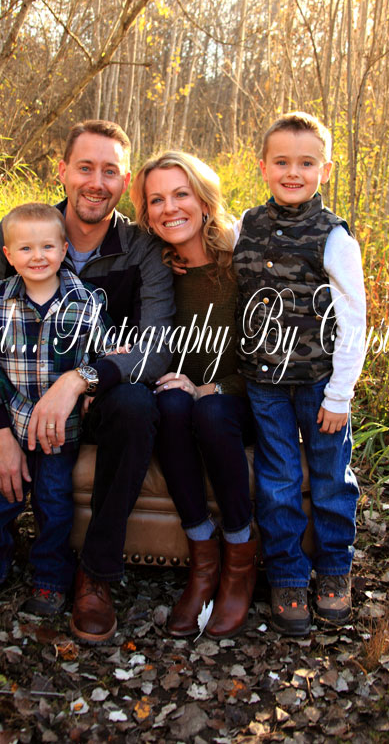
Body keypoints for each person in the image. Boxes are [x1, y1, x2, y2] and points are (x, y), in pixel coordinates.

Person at [0, 120, 175, 643]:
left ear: (125, 180)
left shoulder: (142, 248)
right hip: (16, 396)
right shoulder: (21, 230)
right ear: (62, 171)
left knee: (136, 406)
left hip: (94, 405)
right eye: (85, 167)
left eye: (109, 171)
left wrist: (80, 381)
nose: (96, 182)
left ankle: (95, 571)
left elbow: (155, 349)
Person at [0, 203, 111, 614]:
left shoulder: (84, 301)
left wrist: (92, 389)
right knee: (1, 499)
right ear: (9, 255)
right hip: (14, 422)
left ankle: (51, 579)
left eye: (47, 246)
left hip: (60, 433)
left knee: (54, 504)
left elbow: (102, 354)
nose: (37, 257)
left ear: (64, 249)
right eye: (26, 248)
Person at [234, 111, 366, 636]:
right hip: (264, 384)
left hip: (318, 383)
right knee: (279, 480)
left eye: (306, 163)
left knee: (331, 479)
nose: (293, 172)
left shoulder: (333, 238)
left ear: (324, 170)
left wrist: (340, 395)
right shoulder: (246, 225)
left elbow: (353, 320)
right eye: (282, 162)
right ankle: (288, 575)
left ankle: (334, 568)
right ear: (263, 166)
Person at [130, 152, 257, 639]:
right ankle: (203, 559)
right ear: (146, 213)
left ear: (204, 201)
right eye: (156, 199)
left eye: (181, 194)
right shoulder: (159, 271)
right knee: (171, 401)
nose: (169, 208)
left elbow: (270, 357)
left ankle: (239, 561)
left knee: (209, 409)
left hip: (240, 403)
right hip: (184, 403)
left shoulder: (242, 262)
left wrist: (210, 387)